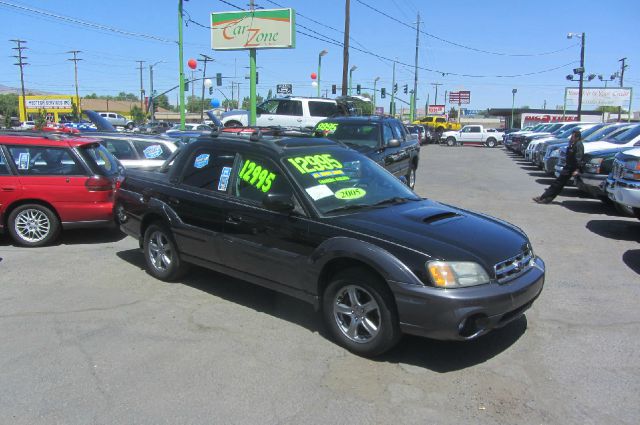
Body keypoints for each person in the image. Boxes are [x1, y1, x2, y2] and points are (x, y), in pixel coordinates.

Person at [533, 129, 584, 204]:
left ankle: (544, 197)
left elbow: (578, 158)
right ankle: (545, 198)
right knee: (558, 184)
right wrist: (570, 145)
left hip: (571, 168)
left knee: (558, 183)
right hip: (568, 167)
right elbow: (568, 154)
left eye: (572, 137)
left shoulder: (579, 145)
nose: (571, 138)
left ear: (577, 137)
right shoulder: (574, 144)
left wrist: (577, 170)